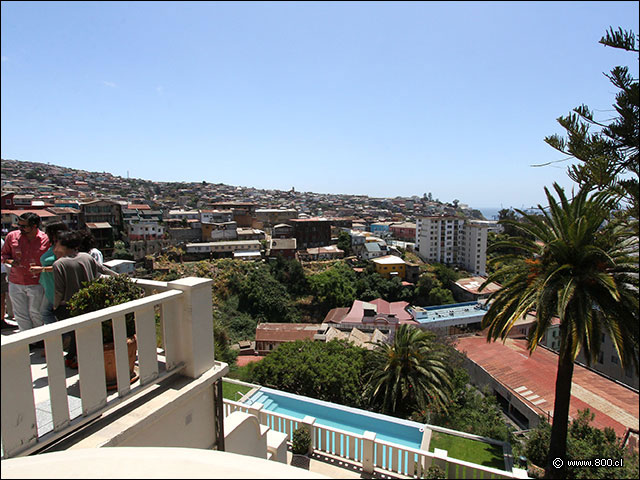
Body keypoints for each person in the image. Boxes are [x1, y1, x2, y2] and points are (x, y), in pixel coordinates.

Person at [52, 230, 117, 366]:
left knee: (75, 334)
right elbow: (103, 269)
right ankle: (74, 358)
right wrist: (121, 278)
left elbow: (59, 290)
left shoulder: (59, 264)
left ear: (63, 245)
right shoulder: (86, 257)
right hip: (88, 301)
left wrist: (55, 306)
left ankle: (75, 359)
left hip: (69, 305)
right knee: (84, 333)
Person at [0, 213, 50, 332]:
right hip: (16, 281)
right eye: (19, 225)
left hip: (37, 282)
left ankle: (39, 338)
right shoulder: (12, 237)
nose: (20, 229)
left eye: (24, 226)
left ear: (34, 226)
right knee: (20, 313)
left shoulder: (45, 239)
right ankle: (28, 340)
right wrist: (10, 261)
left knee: (36, 312)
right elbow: (3, 254)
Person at [28, 222, 69, 325]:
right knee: (46, 312)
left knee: (46, 312)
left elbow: (62, 265)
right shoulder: (54, 246)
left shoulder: (61, 247)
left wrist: (41, 269)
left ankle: (59, 336)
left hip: (56, 285)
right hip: (50, 285)